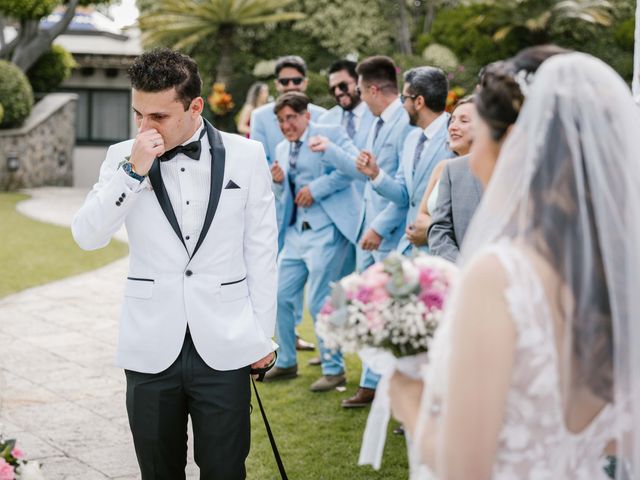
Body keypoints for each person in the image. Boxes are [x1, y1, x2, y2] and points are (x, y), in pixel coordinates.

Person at [389, 49, 640, 479]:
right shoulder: (611, 271)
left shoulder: (500, 275)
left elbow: (463, 469)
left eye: (478, 129)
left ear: (513, 142)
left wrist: (409, 401)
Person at [71, 49, 278, 480]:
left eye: (159, 117)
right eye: (138, 115)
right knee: (158, 471)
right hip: (149, 346)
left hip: (225, 343)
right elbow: (88, 236)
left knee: (225, 470)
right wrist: (133, 172)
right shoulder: (121, 158)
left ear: (195, 106)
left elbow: (260, 251)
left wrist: (261, 336)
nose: (145, 127)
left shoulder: (247, 155)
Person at [262, 92, 361, 392]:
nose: (285, 125)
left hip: (326, 230)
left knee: (319, 300)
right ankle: (288, 360)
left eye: (291, 117)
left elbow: (352, 170)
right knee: (278, 294)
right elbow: (282, 197)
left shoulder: (329, 134)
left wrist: (316, 188)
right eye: (280, 120)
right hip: (294, 234)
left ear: (307, 115)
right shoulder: (280, 147)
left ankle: (334, 369)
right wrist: (278, 183)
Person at [356, 66, 454, 256]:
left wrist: (430, 232)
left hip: (439, 251)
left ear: (419, 102)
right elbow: (404, 196)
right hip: (408, 248)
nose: (402, 105)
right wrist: (376, 174)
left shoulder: (454, 137)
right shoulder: (412, 139)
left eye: (404, 98)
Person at [407, 95, 477, 250]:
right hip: (431, 257)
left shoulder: (487, 172)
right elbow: (421, 216)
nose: (452, 127)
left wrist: (431, 230)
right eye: (452, 120)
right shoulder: (443, 167)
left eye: (464, 121)